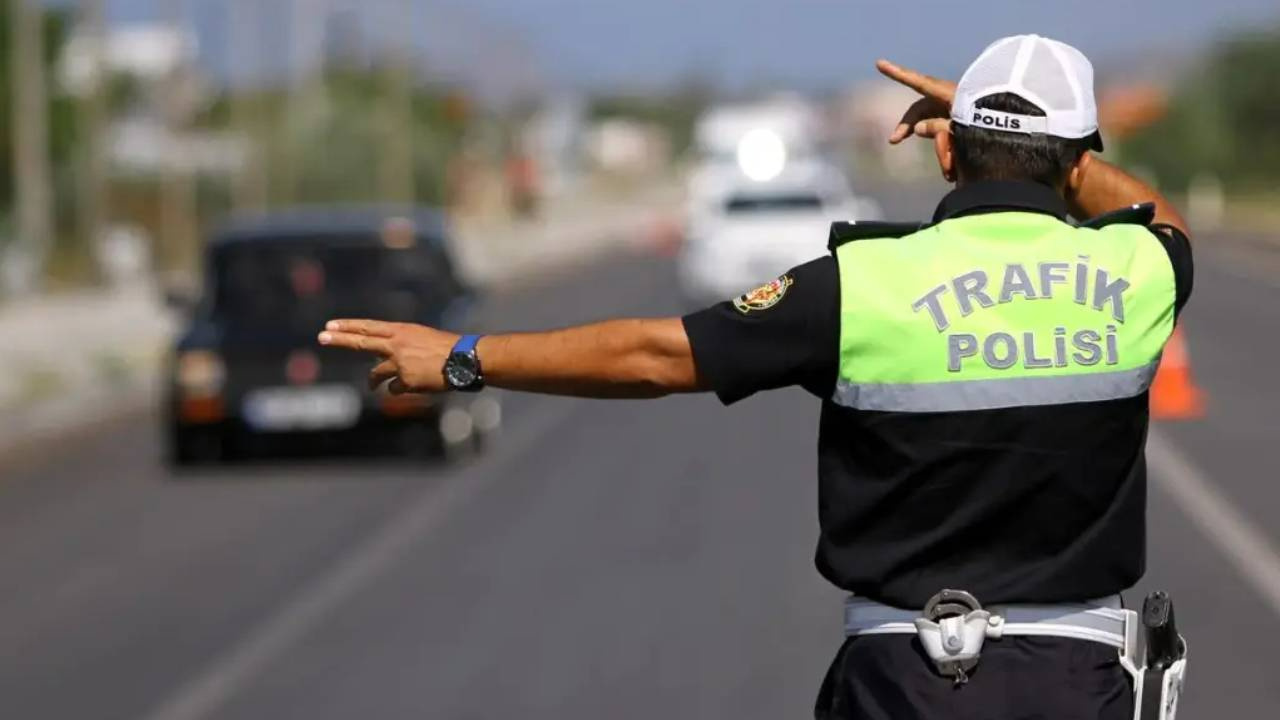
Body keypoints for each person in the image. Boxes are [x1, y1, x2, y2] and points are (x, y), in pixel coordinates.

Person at [319, 35, 1192, 720]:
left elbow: (654, 354)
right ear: (1078, 165)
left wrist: (465, 357)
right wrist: (1038, 147)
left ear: (945, 155)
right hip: (1081, 683)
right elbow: (1155, 214)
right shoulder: (1139, 272)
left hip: (909, 682)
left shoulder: (859, 286)